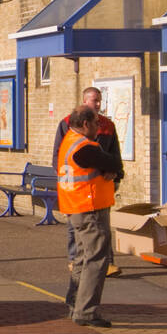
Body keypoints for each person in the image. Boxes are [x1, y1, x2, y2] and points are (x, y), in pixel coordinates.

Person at [58, 107, 123, 327]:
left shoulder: (69, 140)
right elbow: (114, 163)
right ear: (85, 124)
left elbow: (111, 165)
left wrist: (111, 168)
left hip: (76, 208)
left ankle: (75, 304)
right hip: (89, 209)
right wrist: (111, 168)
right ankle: (86, 311)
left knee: (82, 259)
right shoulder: (84, 148)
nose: (98, 127)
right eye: (95, 123)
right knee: (97, 259)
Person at [53, 87, 124, 277]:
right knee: (77, 231)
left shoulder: (107, 125)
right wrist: (106, 166)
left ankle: (107, 263)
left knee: (102, 230)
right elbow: (62, 157)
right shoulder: (68, 125)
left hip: (101, 187)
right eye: (95, 101)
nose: (98, 104)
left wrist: (115, 172)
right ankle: (75, 261)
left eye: (100, 100)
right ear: (85, 101)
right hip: (77, 190)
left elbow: (114, 155)